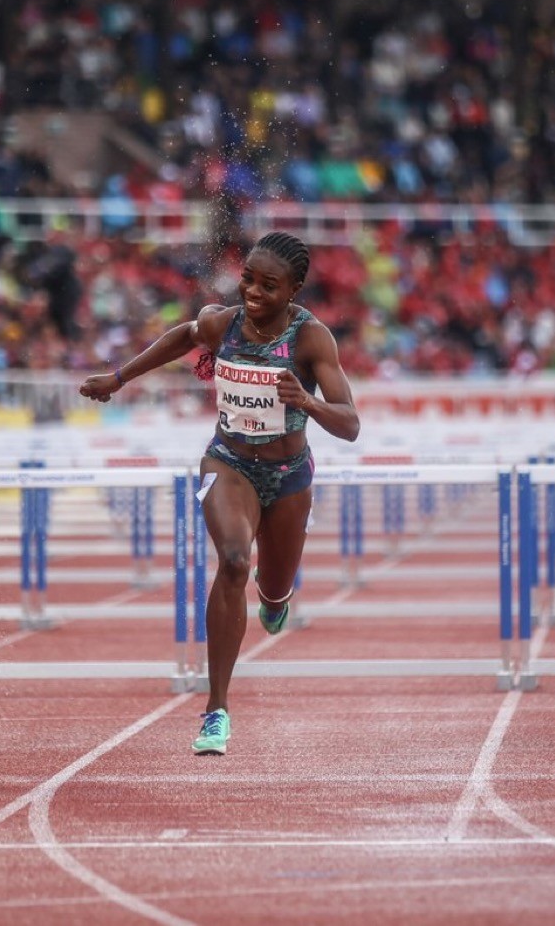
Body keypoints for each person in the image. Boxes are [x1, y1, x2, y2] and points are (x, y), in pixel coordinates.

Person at [80, 232, 360, 755]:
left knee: (273, 599)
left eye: (268, 285)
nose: (252, 291)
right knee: (232, 560)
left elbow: (351, 425)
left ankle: (275, 592)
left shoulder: (311, 339)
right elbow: (181, 337)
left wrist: (309, 402)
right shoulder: (222, 322)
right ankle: (216, 709)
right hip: (228, 462)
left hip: (289, 475)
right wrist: (119, 378)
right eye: (248, 278)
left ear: (295, 289)